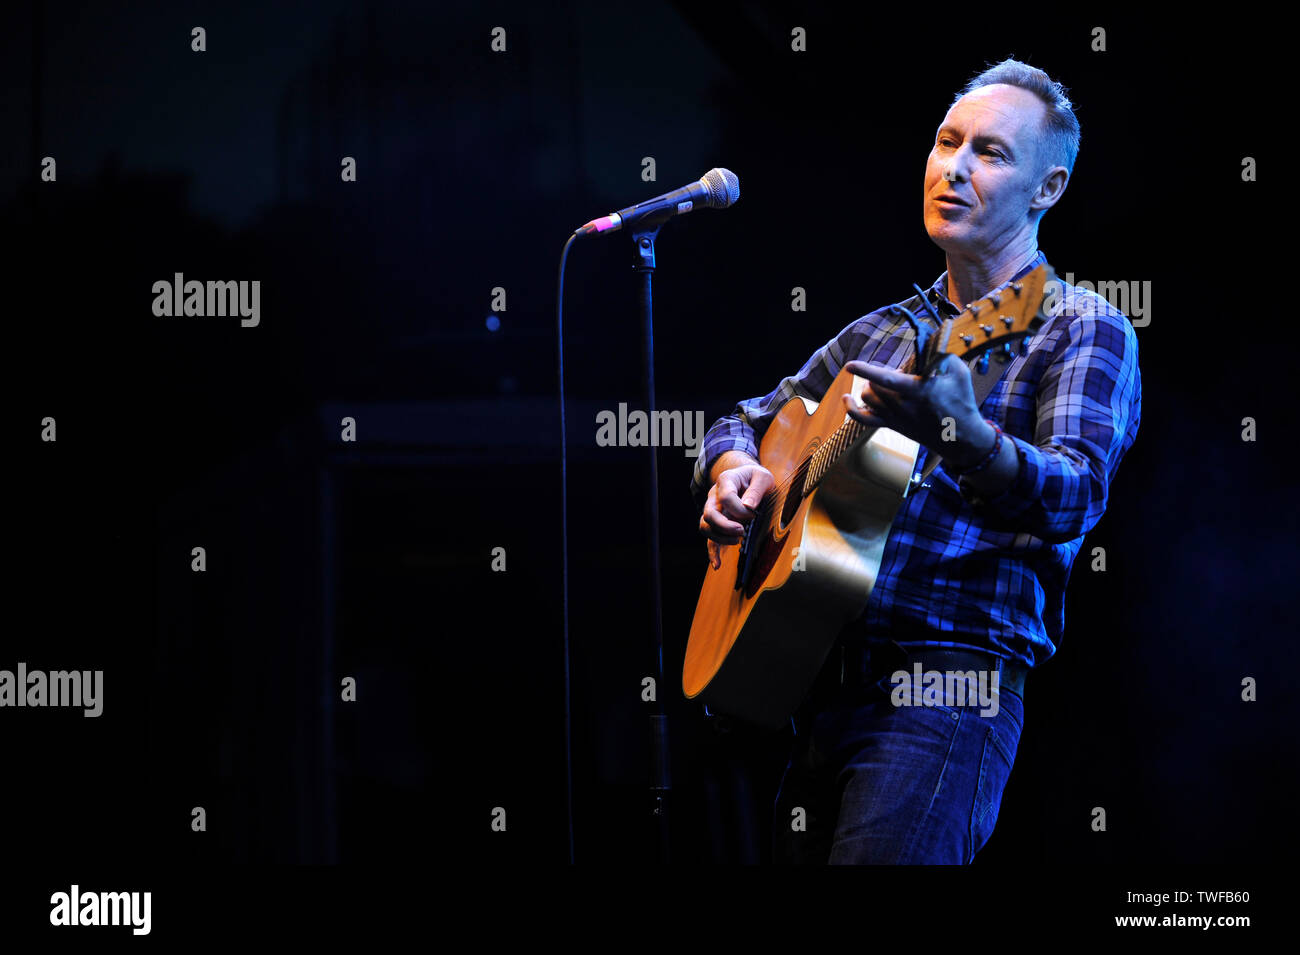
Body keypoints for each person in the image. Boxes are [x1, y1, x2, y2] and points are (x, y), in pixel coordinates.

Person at [690, 58, 1142, 864]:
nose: (956, 167)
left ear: (1048, 189)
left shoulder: (1079, 325)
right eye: (947, 142)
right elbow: (746, 419)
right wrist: (732, 471)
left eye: (992, 153)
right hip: (818, 682)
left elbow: (1074, 492)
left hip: (945, 692)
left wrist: (967, 436)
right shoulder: (883, 332)